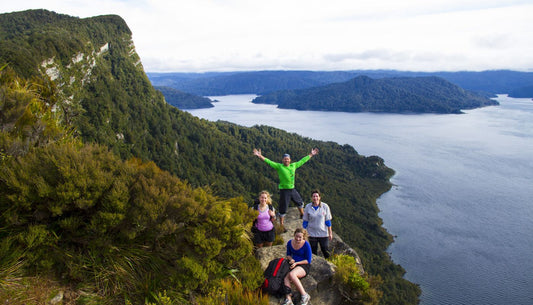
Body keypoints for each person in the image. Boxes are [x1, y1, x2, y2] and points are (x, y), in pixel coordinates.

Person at [253, 148, 319, 231]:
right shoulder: (279, 166)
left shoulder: (293, 165)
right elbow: (269, 162)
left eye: (287, 159)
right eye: (285, 159)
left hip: (292, 188)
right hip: (284, 190)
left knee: (299, 202)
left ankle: (302, 214)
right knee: (283, 208)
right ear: (282, 160)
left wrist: (311, 154)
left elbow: (302, 161)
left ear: (290, 160)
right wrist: (260, 156)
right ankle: (282, 224)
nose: (286, 160)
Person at [282, 228, 312, 305]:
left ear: (303, 238)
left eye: (300, 237)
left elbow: (308, 260)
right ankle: (288, 299)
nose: (298, 239)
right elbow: (288, 254)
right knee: (285, 277)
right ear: (294, 235)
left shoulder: (306, 245)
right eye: (296, 236)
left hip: (303, 265)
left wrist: (296, 263)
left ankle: (304, 295)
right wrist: (291, 259)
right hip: (293, 263)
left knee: (292, 275)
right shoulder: (289, 243)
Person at [303, 190, 333, 259]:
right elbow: (305, 221)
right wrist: (304, 233)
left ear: (319, 197)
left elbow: (328, 221)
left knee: (325, 250)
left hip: (323, 233)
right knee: (313, 251)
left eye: (317, 196)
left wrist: (330, 233)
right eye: (313, 196)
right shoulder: (308, 207)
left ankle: (330, 265)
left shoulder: (325, 206)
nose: (315, 198)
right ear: (311, 198)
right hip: (312, 233)